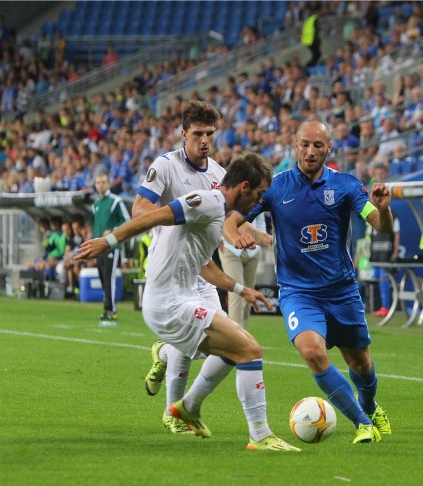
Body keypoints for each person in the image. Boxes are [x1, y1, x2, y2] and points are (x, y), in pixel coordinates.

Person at [75, 155, 299, 452]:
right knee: (250, 350)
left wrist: (242, 290)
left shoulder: (217, 211)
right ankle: (258, 434)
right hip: (169, 303)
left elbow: (203, 265)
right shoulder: (207, 201)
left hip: (180, 298)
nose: (256, 204)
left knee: (235, 348)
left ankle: (187, 403)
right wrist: (109, 242)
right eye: (257, 195)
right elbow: (152, 216)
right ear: (244, 187)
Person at [224, 119, 392, 444]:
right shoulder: (275, 186)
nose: (310, 151)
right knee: (312, 352)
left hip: (341, 291)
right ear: (294, 146)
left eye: (318, 145)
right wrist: (236, 237)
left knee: (361, 363)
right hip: (298, 292)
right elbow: (232, 220)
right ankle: (362, 423)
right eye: (304, 144)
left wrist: (384, 210)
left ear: (329, 148)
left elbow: (379, 224)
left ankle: (369, 406)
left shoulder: (345, 184)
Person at [132, 100, 237, 435]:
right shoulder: (165, 166)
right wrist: (170, 222)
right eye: (197, 134)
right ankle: (173, 413)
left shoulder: (220, 175)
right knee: (191, 341)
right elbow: (139, 208)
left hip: (202, 271)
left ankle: (163, 355)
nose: (204, 140)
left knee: (210, 344)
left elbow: (228, 221)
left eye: (210, 133)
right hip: (171, 270)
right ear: (183, 134)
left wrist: (254, 234)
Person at [91, 170, 131, 322]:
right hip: (98, 247)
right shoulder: (95, 204)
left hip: (111, 246)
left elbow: (127, 220)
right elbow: (94, 226)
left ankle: (112, 309)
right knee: (103, 277)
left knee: (109, 278)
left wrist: (112, 231)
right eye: (98, 182)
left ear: (108, 184)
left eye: (103, 182)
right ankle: (106, 307)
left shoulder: (116, 201)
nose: (100, 185)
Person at [219, 212, 267, 328]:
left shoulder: (257, 197)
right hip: (231, 249)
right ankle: (236, 335)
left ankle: (243, 332)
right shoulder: (230, 197)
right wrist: (220, 240)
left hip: (253, 251)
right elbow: (218, 220)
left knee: (249, 294)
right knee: (236, 292)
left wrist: (260, 242)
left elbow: (260, 221)